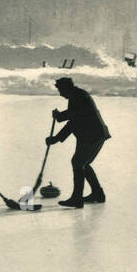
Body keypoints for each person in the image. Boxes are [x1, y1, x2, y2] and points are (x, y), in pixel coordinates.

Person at [46, 76, 112, 208]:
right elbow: (73, 120)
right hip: (92, 135)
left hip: (93, 135)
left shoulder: (79, 96)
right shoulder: (76, 96)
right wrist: (56, 138)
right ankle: (97, 194)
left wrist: (59, 119)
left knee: (78, 162)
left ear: (67, 88)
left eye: (61, 91)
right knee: (83, 164)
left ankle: (77, 198)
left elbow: (73, 115)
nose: (60, 94)